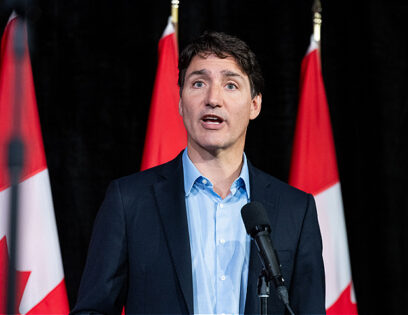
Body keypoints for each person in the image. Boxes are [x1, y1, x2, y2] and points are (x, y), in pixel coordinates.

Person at [71, 32, 325, 315]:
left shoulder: (295, 209)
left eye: (230, 85)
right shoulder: (129, 201)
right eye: (198, 83)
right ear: (181, 102)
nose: (213, 98)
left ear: (255, 105)